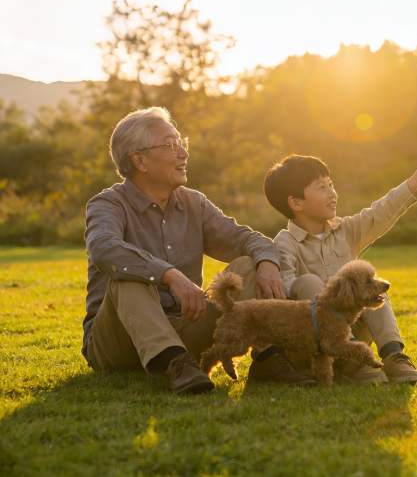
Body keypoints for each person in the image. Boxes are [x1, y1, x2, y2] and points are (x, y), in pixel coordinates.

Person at [83, 107, 316, 394]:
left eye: (182, 143)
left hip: (186, 325)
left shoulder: (195, 203)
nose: (183, 153)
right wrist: (169, 275)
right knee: (128, 277)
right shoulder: (107, 204)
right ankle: (174, 362)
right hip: (118, 342)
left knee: (248, 265)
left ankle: (267, 358)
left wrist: (267, 262)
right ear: (140, 160)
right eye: (171, 145)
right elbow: (104, 249)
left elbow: (245, 238)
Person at [263, 153, 417, 384]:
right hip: (313, 336)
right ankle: (346, 361)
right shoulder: (284, 243)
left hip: (352, 330)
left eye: (331, 185)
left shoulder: (346, 230)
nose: (332, 193)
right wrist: (326, 298)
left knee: (373, 286)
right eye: (322, 188)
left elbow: (382, 211)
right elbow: (286, 289)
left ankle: (393, 355)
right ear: (296, 203)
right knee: (307, 282)